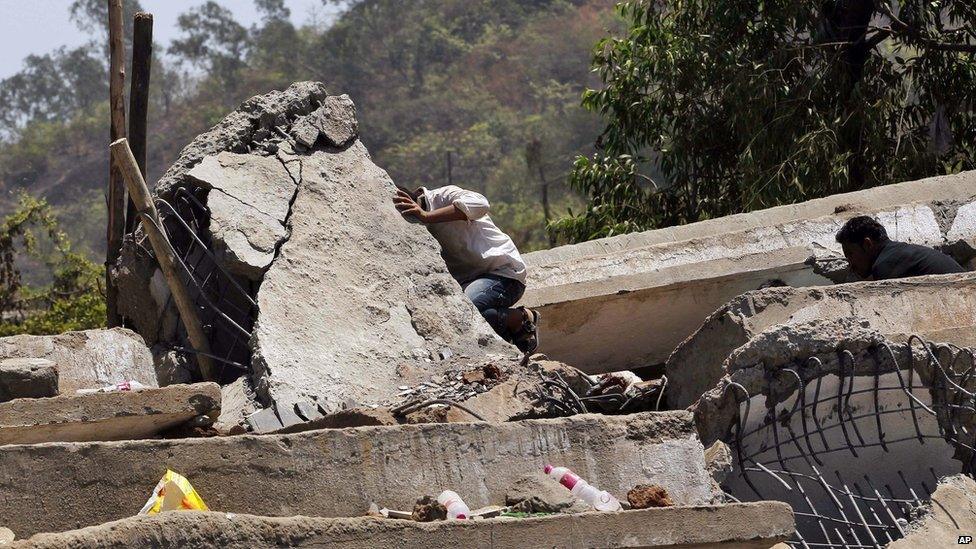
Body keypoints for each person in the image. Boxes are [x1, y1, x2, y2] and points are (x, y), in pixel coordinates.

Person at [393, 185, 540, 353]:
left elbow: (481, 204)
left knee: (466, 309)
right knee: (454, 316)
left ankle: (520, 319)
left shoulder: (443, 196)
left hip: (503, 273)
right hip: (469, 283)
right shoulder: (419, 228)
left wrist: (426, 216)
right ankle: (510, 331)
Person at [836, 215, 965, 280]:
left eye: (850, 254)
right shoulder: (896, 254)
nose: (850, 264)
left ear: (867, 244)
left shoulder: (884, 265)